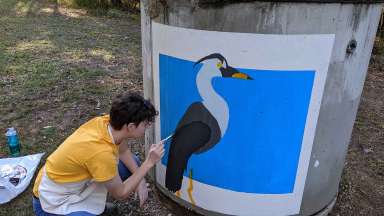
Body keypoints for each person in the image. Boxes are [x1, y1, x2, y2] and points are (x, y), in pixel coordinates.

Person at [32, 92, 164, 216]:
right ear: (130, 127)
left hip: (70, 180)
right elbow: (121, 193)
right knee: (128, 169)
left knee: (132, 162)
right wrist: (149, 163)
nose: (147, 127)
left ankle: (91, 204)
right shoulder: (101, 153)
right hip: (52, 200)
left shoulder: (107, 123)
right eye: (145, 124)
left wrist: (140, 180)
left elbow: (123, 151)